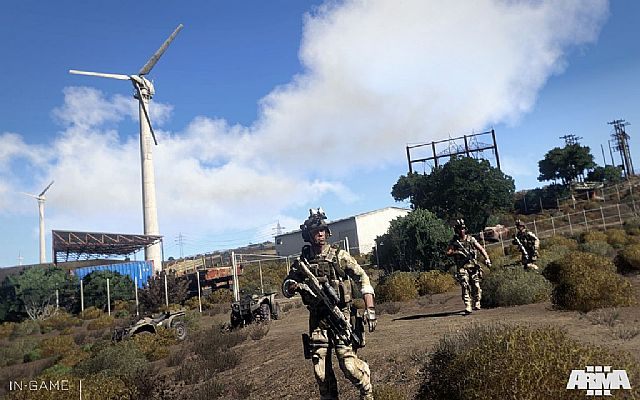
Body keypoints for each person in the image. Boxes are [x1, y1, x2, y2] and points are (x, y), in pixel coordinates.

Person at [282, 208, 377, 400]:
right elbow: (286, 285)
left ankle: (367, 390)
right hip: (318, 320)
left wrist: (370, 309)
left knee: (349, 366)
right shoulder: (303, 262)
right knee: (321, 373)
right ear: (308, 235)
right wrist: (292, 286)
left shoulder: (339, 256)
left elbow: (362, 278)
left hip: (341, 316)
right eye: (316, 231)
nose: (320, 234)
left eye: (323, 230)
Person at [446, 219, 491, 314]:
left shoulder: (471, 239)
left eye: (463, 229)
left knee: (476, 285)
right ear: (457, 230)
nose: (461, 230)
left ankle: (477, 301)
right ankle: (468, 305)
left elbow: (481, 249)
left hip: (473, 265)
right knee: (465, 285)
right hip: (462, 267)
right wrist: (457, 252)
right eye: (460, 229)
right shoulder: (455, 241)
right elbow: (448, 252)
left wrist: (487, 258)